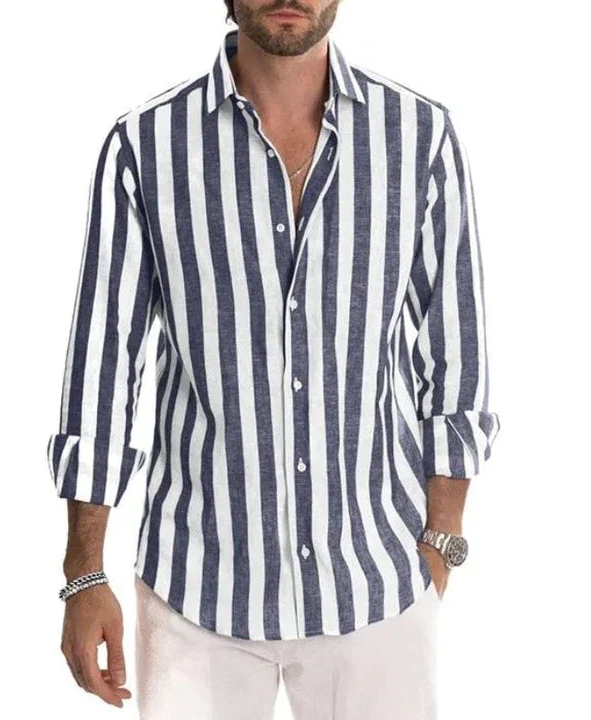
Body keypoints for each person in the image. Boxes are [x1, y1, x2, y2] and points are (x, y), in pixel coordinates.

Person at [46, 1, 501, 717]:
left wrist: (443, 538)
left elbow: (456, 347)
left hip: (376, 585)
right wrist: (83, 573)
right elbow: (103, 362)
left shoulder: (419, 136)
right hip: (196, 595)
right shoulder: (146, 146)